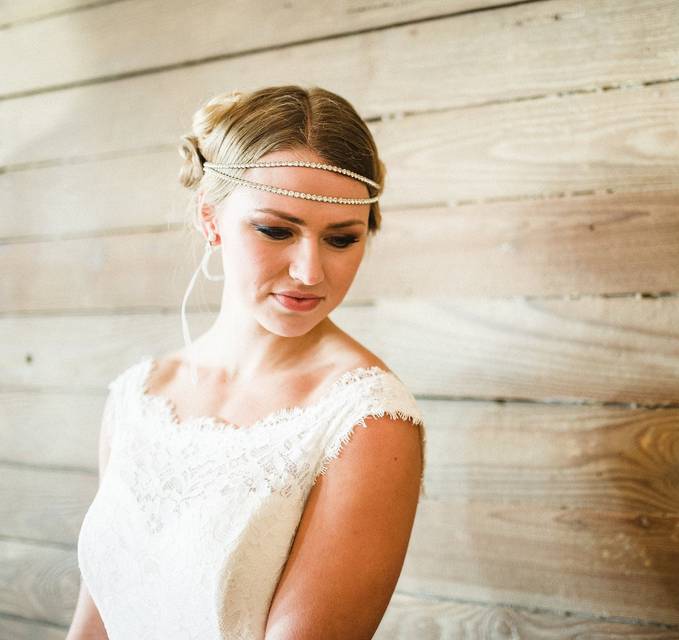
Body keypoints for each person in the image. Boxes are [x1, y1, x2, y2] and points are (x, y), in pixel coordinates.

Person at [66, 85, 427, 640]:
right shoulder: (138, 396)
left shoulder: (367, 421)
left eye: (342, 238)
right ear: (211, 219)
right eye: (276, 230)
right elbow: (93, 625)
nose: (309, 271)